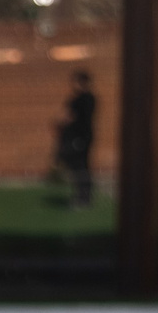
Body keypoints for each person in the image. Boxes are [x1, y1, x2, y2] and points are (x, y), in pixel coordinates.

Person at [55, 70, 96, 210]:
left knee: (80, 167)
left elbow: (70, 117)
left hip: (79, 137)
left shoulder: (82, 100)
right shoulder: (86, 99)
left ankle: (83, 197)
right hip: (82, 137)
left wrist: (63, 124)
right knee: (80, 167)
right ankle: (83, 196)